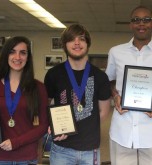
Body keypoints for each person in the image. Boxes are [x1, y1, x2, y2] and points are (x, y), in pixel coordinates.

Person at [105, 5, 152, 165]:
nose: (141, 24)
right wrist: (116, 95)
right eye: (136, 20)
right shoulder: (116, 52)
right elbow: (109, 81)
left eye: (146, 20)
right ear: (130, 25)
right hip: (122, 129)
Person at [0, 36, 49, 165]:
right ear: (6, 55)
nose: (17, 57)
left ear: (28, 57)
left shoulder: (38, 87)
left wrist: (16, 142)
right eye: (12, 51)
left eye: (23, 53)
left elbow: (43, 126)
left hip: (26, 157)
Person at [44, 24, 111, 165]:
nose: (76, 43)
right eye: (71, 39)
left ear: (87, 44)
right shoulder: (53, 74)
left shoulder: (100, 76)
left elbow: (104, 112)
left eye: (81, 39)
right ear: (64, 44)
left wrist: (80, 126)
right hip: (61, 149)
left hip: (90, 149)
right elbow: (45, 104)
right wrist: (53, 124)